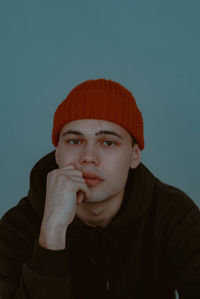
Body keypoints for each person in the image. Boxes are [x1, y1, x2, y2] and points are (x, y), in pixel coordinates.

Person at [0, 79, 200, 299]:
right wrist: (51, 235)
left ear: (134, 156)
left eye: (108, 142)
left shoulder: (175, 216)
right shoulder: (16, 227)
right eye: (75, 141)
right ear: (58, 154)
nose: (88, 158)